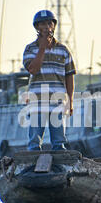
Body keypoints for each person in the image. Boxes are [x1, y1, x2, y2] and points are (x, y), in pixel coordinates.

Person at [22, 10, 76, 150]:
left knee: (59, 143)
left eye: (49, 23)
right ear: (37, 27)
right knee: (34, 143)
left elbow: (69, 77)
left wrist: (70, 101)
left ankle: (60, 167)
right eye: (42, 24)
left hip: (57, 102)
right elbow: (33, 69)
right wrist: (42, 48)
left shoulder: (63, 50)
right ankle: (32, 165)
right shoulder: (30, 49)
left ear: (54, 26)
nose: (46, 27)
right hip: (37, 102)